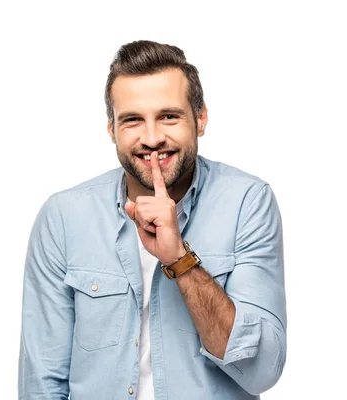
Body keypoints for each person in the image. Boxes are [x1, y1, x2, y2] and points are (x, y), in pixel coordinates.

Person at [18, 40, 286, 400]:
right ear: (112, 130)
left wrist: (180, 259)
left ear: (201, 118)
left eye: (169, 116)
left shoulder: (247, 203)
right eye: (132, 120)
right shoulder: (63, 217)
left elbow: (261, 371)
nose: (152, 138)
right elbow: (42, 383)